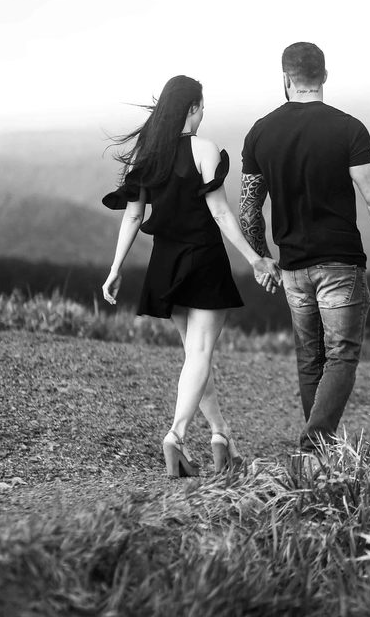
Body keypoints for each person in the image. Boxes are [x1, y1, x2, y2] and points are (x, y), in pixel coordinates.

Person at [101, 74, 280, 478]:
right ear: (193, 108)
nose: (203, 115)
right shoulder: (204, 149)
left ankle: (221, 436)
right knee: (199, 355)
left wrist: (115, 269)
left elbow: (133, 216)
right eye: (202, 108)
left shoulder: (148, 155)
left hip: (165, 264)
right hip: (203, 260)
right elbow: (220, 213)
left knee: (195, 358)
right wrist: (255, 259)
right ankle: (176, 437)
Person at [239, 42, 370, 456]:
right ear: (325, 76)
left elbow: (248, 209)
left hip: (292, 266)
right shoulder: (348, 128)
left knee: (309, 358)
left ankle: (319, 451)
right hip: (339, 261)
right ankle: (316, 441)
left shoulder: (260, 131)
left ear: (286, 77)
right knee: (341, 356)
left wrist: (262, 257)